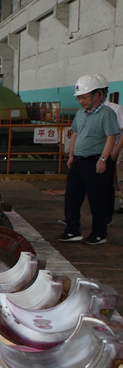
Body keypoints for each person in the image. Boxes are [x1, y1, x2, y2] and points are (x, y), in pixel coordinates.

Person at [57, 75, 118, 245]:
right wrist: (71, 156)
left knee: (97, 199)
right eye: (79, 98)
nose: (81, 101)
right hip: (79, 161)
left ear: (97, 95)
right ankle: (72, 231)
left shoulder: (107, 114)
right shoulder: (80, 114)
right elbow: (75, 134)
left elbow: (111, 137)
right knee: (72, 197)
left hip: (96, 161)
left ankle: (99, 234)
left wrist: (103, 159)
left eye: (84, 97)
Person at [95, 74, 123, 216]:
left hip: (111, 151)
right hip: (95, 152)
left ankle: (108, 213)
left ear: (103, 92)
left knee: (109, 182)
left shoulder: (115, 109)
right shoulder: (89, 111)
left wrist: (115, 151)